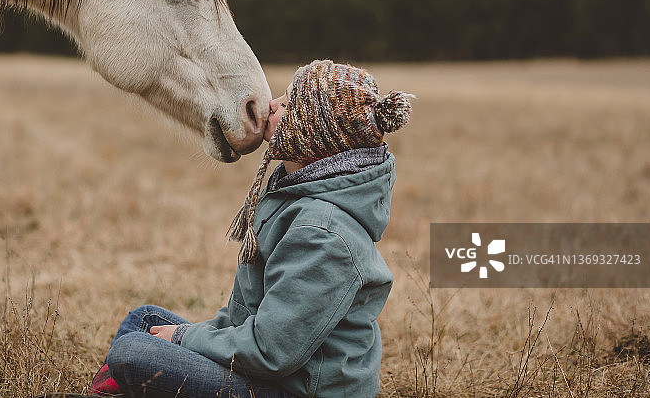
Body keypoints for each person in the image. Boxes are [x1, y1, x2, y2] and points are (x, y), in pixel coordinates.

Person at [90, 60, 413, 398]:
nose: (271, 105)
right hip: (273, 371)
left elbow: (270, 351)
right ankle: (115, 388)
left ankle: (121, 384)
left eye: (287, 104)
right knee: (143, 320)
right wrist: (186, 339)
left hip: (292, 388)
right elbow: (242, 320)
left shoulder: (323, 234)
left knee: (132, 353)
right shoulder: (294, 194)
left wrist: (183, 339)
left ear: (312, 135)